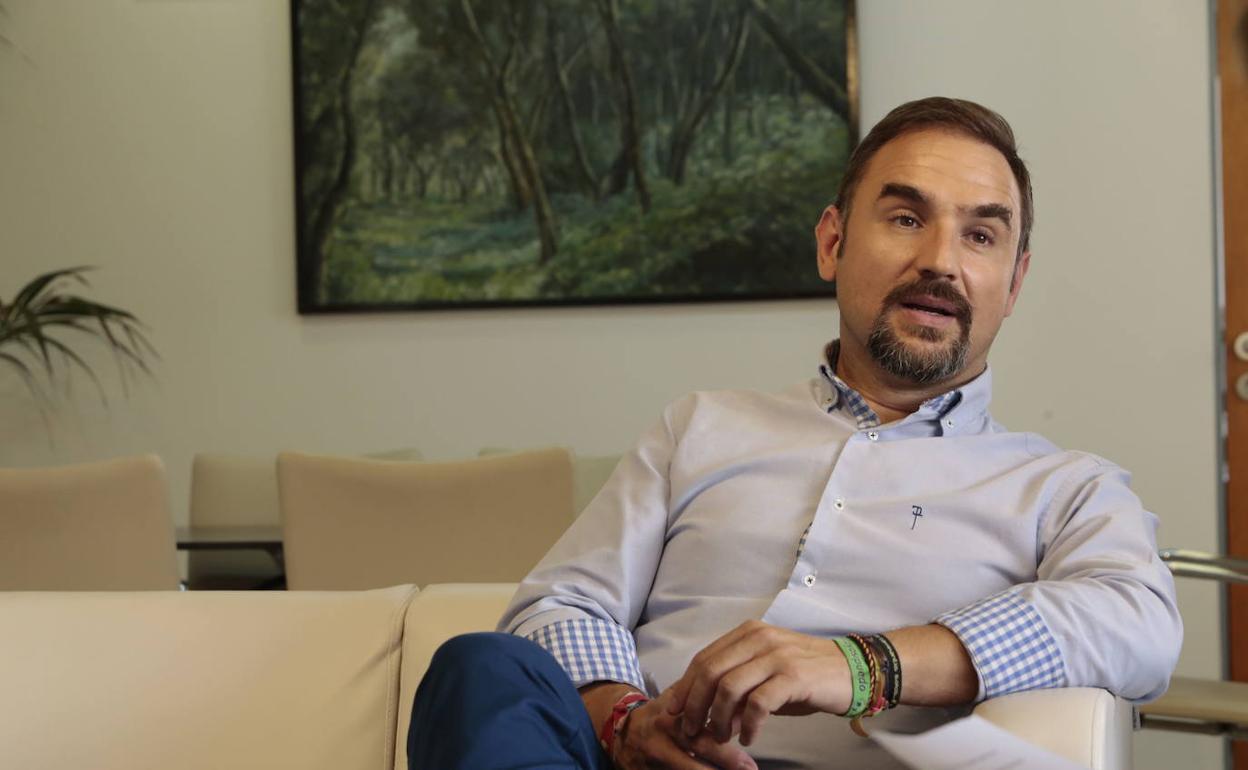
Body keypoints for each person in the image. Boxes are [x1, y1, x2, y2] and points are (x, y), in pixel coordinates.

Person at [406, 96, 1183, 770]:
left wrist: (865, 664)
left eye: (981, 236)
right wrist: (623, 721)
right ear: (832, 243)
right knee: (480, 667)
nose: (940, 261)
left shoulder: (1063, 488)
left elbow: (1137, 622)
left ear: (1013, 283)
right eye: (907, 218)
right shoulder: (698, 428)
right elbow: (560, 604)